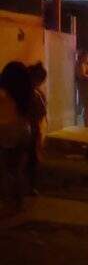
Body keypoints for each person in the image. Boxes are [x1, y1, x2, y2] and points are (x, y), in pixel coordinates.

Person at [1, 61, 33, 212]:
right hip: (23, 131)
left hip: (7, 133)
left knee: (7, 169)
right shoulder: (25, 93)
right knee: (17, 168)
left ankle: (10, 202)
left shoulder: (4, 95)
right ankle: (18, 201)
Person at [25, 63, 47, 195]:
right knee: (29, 159)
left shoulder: (36, 93)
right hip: (28, 130)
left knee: (31, 160)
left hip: (32, 129)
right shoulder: (30, 94)